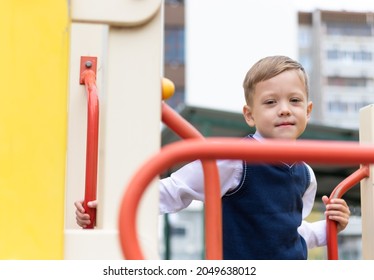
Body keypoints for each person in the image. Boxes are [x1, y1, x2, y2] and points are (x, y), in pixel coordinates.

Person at [75, 55, 351, 260]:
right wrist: (110, 206)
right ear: (249, 114)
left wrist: (329, 227)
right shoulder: (234, 160)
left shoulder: (306, 174)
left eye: (294, 100)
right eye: (270, 102)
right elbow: (174, 190)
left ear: (309, 109)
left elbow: (291, 233)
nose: (284, 110)